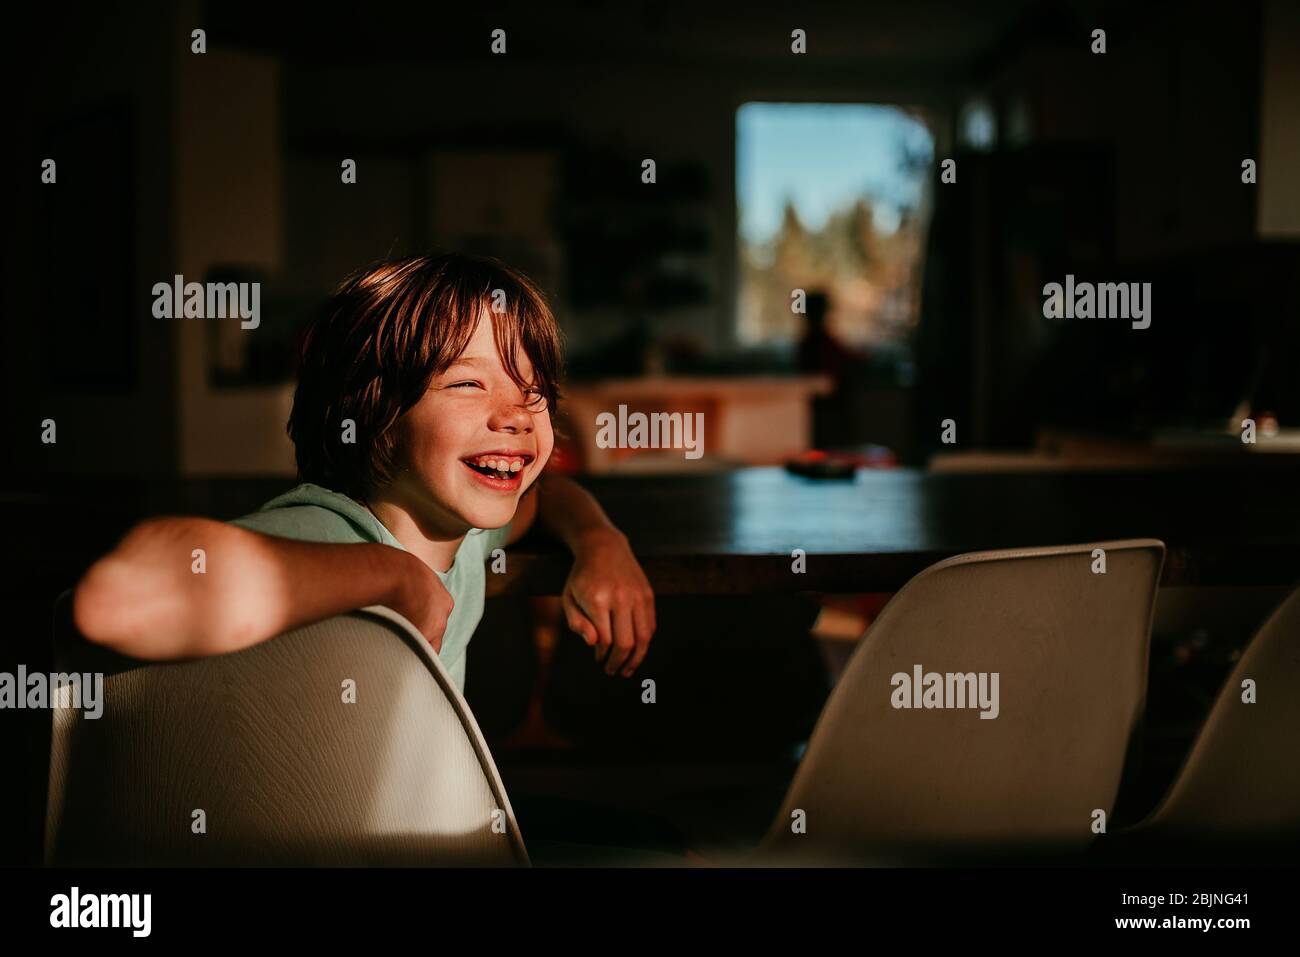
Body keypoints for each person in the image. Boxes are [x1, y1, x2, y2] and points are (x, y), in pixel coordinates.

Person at [73, 253, 656, 688]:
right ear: (373, 413)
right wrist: (390, 575)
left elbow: (548, 499)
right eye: (467, 383)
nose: (516, 416)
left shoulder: (462, 534)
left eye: (535, 391)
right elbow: (116, 599)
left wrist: (602, 542)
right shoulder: (332, 532)